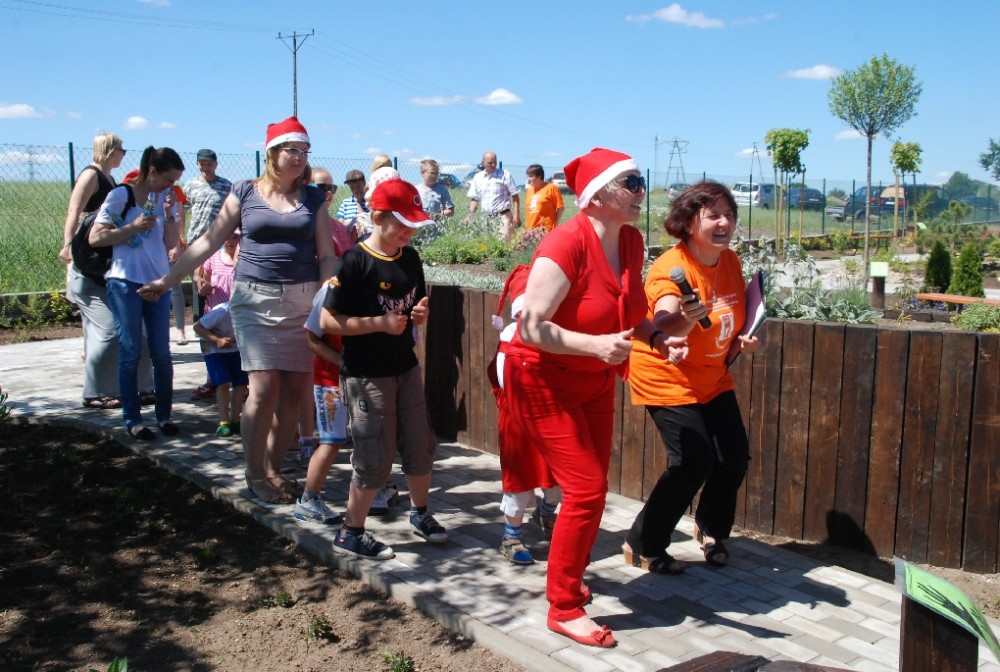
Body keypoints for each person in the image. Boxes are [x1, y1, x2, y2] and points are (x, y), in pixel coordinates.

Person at [501, 148, 674, 648]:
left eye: (641, 181)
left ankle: (571, 581)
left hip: (593, 380)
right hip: (540, 378)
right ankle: (563, 608)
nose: (641, 190)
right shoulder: (565, 243)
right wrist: (596, 346)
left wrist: (659, 338)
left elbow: (630, 312)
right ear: (597, 195)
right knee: (586, 488)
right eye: (631, 183)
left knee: (591, 489)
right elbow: (530, 326)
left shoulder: (631, 241)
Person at [139, 116, 336, 504]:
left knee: (294, 392)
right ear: (272, 153)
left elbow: (326, 254)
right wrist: (166, 279)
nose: (299, 157)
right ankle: (254, 474)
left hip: (302, 301)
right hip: (254, 301)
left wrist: (327, 291)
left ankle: (274, 470)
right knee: (263, 388)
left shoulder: (314, 199)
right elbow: (208, 241)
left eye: (304, 151)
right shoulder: (244, 191)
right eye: (291, 150)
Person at [624, 180, 760, 573]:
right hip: (666, 373)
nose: (724, 223)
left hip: (712, 375)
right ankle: (644, 544)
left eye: (729, 215)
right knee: (692, 461)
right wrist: (685, 317)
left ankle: (711, 528)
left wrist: (745, 337)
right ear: (688, 222)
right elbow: (663, 321)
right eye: (713, 215)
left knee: (733, 457)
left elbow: (733, 312)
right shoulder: (672, 269)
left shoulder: (729, 261)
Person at [320, 178, 446, 560]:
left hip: (405, 367)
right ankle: (351, 532)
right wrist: (378, 323)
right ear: (377, 216)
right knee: (374, 454)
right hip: (366, 375)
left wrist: (419, 314)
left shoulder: (410, 257)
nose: (409, 232)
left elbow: (415, 305)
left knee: (420, 445)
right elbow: (326, 320)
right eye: (402, 223)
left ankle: (420, 513)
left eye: (414, 224)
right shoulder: (354, 261)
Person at [90, 146, 185, 439]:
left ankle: (164, 416)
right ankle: (133, 419)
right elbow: (96, 238)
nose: (172, 185)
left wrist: (170, 214)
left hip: (158, 282)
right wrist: (132, 227)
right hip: (125, 282)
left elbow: (170, 243)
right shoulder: (122, 195)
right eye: (168, 179)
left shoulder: (164, 199)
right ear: (152, 171)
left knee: (162, 354)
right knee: (130, 351)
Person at [60, 131, 139, 410]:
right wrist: (68, 244)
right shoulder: (91, 175)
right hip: (86, 256)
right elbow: (74, 211)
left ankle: (102, 385)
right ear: (110, 150)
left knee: (99, 330)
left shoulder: (109, 179)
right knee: (105, 329)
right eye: (121, 150)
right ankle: (96, 390)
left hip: (101, 260)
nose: (123, 155)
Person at [489, 264, 561, 566]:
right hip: (519, 422)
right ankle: (511, 537)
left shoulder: (556, 333)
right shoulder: (510, 341)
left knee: (556, 478)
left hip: (552, 418)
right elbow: (503, 383)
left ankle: (547, 512)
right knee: (519, 482)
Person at [292, 282, 348, 525]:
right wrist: (342, 363)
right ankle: (308, 499)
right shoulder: (332, 290)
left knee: (374, 436)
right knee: (331, 441)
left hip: (366, 380)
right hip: (330, 382)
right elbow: (312, 340)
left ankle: (381, 488)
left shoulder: (376, 286)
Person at [184, 149, 233, 401]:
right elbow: (181, 211)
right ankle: (211, 377)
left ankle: (235, 378)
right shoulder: (189, 185)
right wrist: (179, 240)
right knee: (203, 314)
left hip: (222, 244)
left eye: (209, 163)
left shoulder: (226, 186)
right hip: (197, 247)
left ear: (216, 164)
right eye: (201, 163)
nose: (205, 167)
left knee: (228, 310)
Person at [192, 300, 248, 437]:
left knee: (241, 383)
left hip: (236, 349)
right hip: (213, 350)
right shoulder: (223, 311)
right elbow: (198, 327)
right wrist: (216, 340)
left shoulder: (254, 312)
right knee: (223, 382)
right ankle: (224, 421)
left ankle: (236, 418)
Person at [463, 151, 520, 241]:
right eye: (490, 163)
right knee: (487, 244)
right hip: (486, 218)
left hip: (503, 216)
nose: (493, 165)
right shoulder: (478, 177)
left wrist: (516, 215)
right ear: (483, 162)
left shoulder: (505, 175)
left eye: (495, 162)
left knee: (505, 243)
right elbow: (475, 199)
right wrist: (469, 215)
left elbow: (515, 196)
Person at [164, 185, 189, 344]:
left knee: (175, 288)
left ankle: (180, 330)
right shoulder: (149, 192)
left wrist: (177, 244)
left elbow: (179, 218)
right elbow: (146, 214)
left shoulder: (175, 191)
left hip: (170, 243)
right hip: (151, 247)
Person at [523, 164, 564, 233]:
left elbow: (560, 208)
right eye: (528, 176)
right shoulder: (529, 191)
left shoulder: (552, 188)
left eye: (531, 176)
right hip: (530, 231)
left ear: (539, 176)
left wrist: (556, 224)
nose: (528, 179)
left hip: (546, 230)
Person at [336, 169, 367, 240]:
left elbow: (365, 221)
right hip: (348, 236)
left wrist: (358, 203)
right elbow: (341, 223)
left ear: (364, 184)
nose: (356, 189)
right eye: (352, 187)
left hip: (364, 237)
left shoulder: (368, 202)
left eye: (358, 186)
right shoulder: (346, 202)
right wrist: (351, 223)